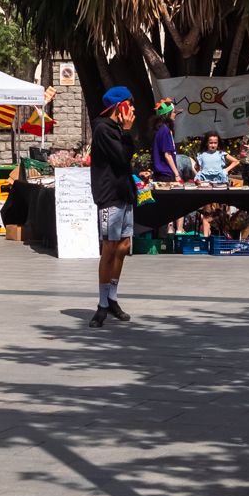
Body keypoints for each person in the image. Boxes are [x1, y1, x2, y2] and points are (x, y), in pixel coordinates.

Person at [89, 87, 139, 327]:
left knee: (123, 245)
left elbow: (126, 158)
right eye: (130, 104)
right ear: (120, 107)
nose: (133, 110)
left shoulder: (117, 129)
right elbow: (121, 157)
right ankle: (102, 304)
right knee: (109, 247)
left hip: (124, 194)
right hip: (110, 196)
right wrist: (128, 132)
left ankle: (112, 297)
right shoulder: (103, 129)